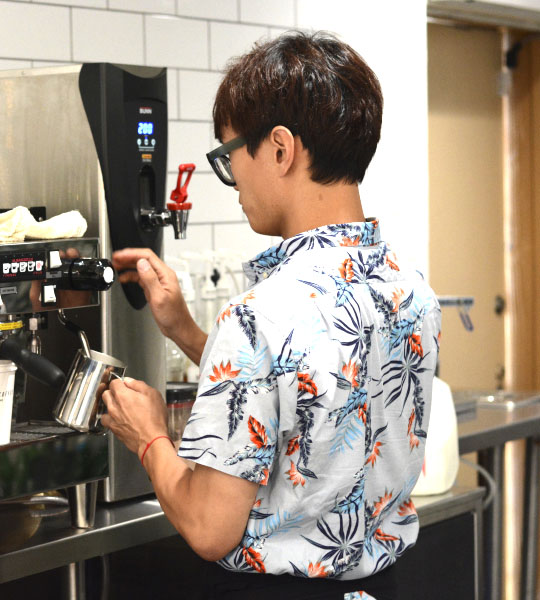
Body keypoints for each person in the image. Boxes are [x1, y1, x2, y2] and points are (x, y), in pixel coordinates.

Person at [104, 31, 441, 599]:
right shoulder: (411, 291)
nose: (233, 182)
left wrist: (148, 437)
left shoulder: (259, 315)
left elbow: (211, 528)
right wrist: (185, 331)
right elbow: (309, 392)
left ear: (280, 150)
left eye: (229, 155)